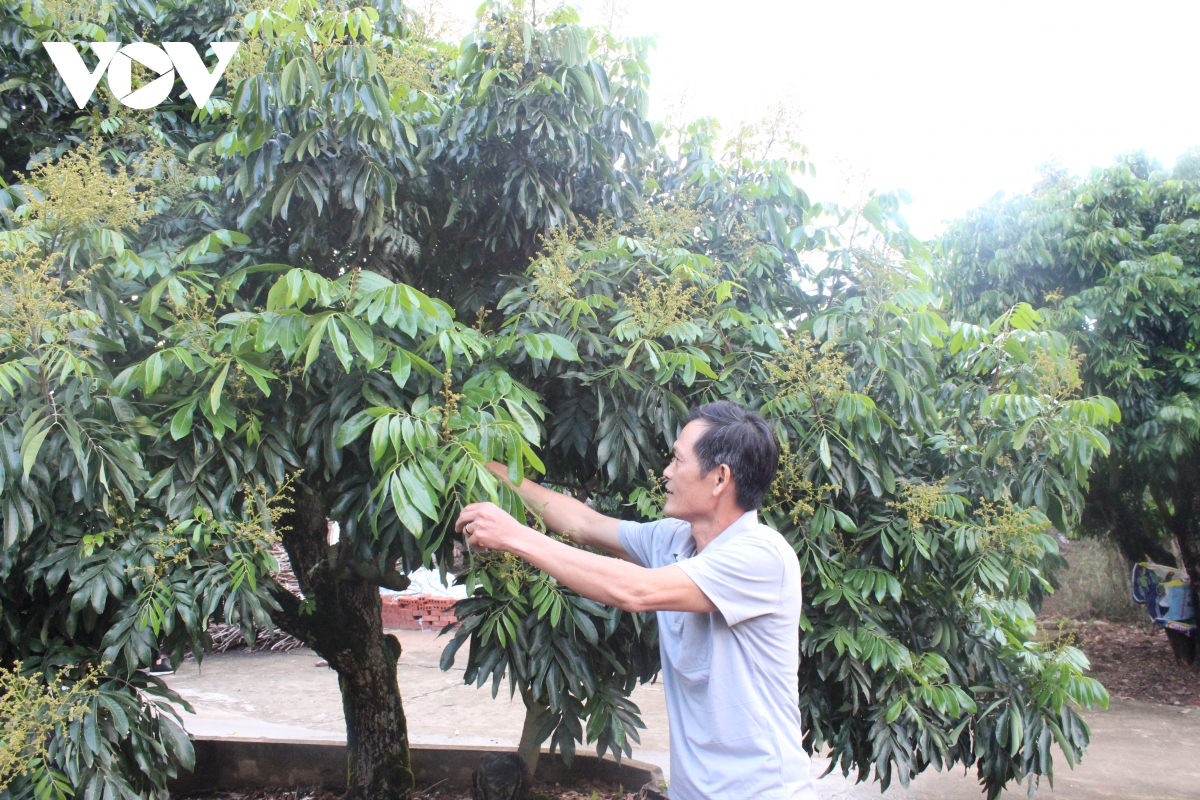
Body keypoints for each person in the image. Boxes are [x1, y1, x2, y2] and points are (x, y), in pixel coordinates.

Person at [455, 401, 816, 800]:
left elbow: (636, 590)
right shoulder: (675, 539)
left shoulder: (761, 556)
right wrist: (487, 467)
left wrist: (514, 536)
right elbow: (584, 523)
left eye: (678, 460)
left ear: (719, 478)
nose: (666, 472)